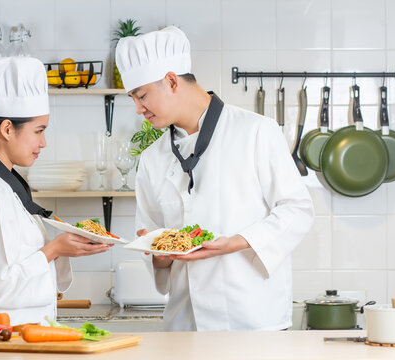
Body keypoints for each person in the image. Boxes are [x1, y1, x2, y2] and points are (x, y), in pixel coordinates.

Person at [115, 26, 314, 331]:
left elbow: (297, 209)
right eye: (133, 99)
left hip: (253, 324)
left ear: (171, 81)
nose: (139, 109)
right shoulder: (152, 159)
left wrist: (236, 242)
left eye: (141, 96)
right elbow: (153, 242)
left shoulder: (256, 131)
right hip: (185, 326)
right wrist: (159, 257)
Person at [0, 57, 111, 325]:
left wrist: (61, 246)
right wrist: (54, 249)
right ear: (7, 129)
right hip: (5, 343)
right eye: (39, 131)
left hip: (23, 340)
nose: (44, 142)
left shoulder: (2, 184)